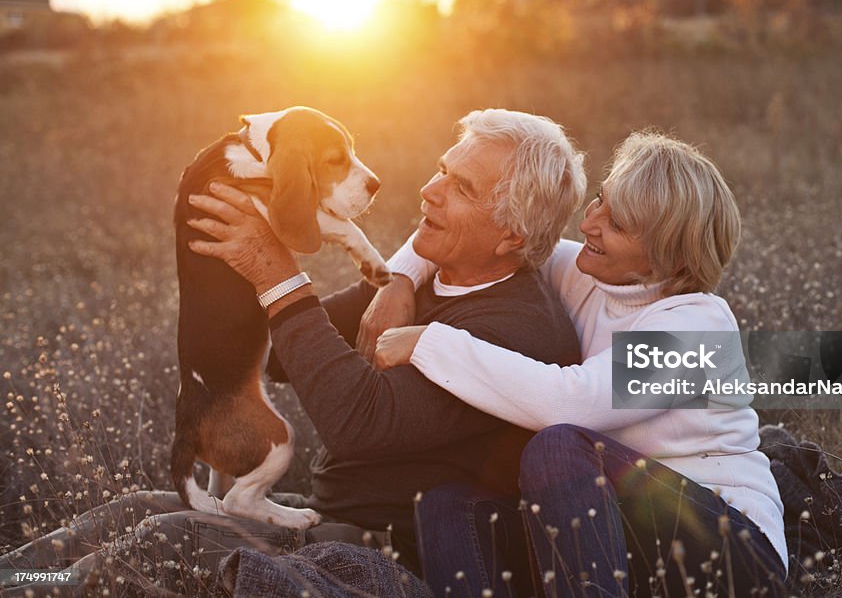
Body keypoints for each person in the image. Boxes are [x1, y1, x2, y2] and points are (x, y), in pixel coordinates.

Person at [0, 109, 585, 583]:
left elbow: (358, 421)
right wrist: (381, 281)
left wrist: (277, 275)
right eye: (440, 168)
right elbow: (284, 359)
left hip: (378, 545)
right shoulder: (435, 276)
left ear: (511, 232)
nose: (428, 190)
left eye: (459, 187)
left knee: (157, 544)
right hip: (325, 510)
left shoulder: (515, 329)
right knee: (130, 513)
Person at [370, 132, 789, 597]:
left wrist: (430, 342)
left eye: (619, 224)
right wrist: (399, 281)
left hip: (732, 552)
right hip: (623, 535)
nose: (590, 224)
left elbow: (569, 402)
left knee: (558, 447)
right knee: (447, 506)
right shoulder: (590, 273)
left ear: (670, 254)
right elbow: (482, 235)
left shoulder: (698, 330)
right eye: (599, 201)